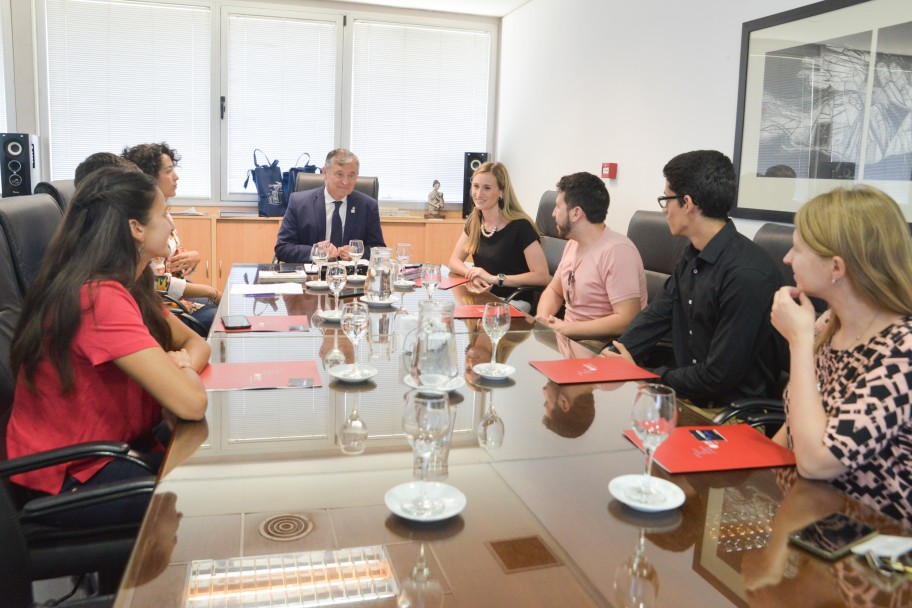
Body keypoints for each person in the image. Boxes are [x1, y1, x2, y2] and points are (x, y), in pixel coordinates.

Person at [6, 166, 209, 525]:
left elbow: (194, 342)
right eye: (163, 214)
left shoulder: (130, 281)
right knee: (199, 497)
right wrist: (180, 368)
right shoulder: (97, 296)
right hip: (69, 475)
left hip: (112, 450)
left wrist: (179, 364)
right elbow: (190, 402)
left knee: (206, 465)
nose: (172, 224)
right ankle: (148, 581)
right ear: (136, 228)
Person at [770, 185, 912, 524]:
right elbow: (795, 427)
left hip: (876, 544)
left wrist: (799, 343)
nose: (787, 259)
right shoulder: (827, 325)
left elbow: (818, 461)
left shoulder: (903, 352)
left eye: (797, 249)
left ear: (836, 267)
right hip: (814, 518)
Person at [602, 150, 784, 406]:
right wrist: (613, 354)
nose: (665, 210)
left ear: (687, 203)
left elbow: (716, 376)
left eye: (666, 199)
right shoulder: (692, 255)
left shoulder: (746, 274)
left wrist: (643, 376)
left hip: (728, 413)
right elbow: (656, 316)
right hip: (684, 394)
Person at [536, 172, 647, 341]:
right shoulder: (573, 244)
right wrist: (543, 318)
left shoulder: (617, 251)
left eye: (558, 207)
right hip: (568, 339)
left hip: (601, 346)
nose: (553, 213)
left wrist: (567, 328)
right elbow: (554, 290)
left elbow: (627, 319)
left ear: (576, 213)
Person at [121, 143, 220, 333]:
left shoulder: (163, 211)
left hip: (173, 300)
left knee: (221, 310)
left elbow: (173, 263)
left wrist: (193, 258)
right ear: (149, 178)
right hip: (161, 308)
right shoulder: (143, 220)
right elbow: (157, 283)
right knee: (221, 316)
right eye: (168, 171)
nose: (176, 176)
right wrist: (211, 292)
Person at [447, 161, 549, 304]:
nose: (478, 193)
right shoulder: (475, 221)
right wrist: (473, 275)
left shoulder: (521, 226)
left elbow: (542, 277)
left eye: (487, 188)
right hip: (483, 298)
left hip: (513, 301)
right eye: (476, 186)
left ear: (501, 192)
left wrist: (494, 279)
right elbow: (454, 261)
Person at [275, 148, 386, 263]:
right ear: (324, 173)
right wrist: (315, 252)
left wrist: (358, 253)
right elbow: (283, 248)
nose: (345, 182)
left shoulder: (368, 206)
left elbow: (378, 249)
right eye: (339, 174)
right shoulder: (299, 203)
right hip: (312, 275)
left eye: (351, 175)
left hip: (352, 275)